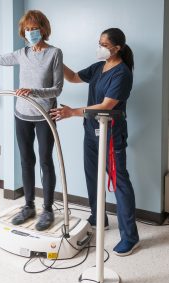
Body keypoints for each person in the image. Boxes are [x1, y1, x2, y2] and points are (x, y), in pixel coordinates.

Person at [0, 10, 63, 231]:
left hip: (45, 114)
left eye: (34, 28)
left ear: (43, 29)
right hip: (22, 114)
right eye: (27, 29)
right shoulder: (21, 53)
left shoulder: (54, 53)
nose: (30, 33)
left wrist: (33, 91)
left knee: (45, 161)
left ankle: (47, 209)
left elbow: (57, 88)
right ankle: (28, 206)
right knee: (26, 160)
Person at [50, 28, 139, 256]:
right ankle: (99, 217)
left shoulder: (122, 74)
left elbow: (106, 105)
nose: (98, 47)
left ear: (117, 48)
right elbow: (72, 77)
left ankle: (130, 236)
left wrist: (72, 112)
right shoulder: (98, 67)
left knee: (119, 182)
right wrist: (54, 56)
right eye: (98, 42)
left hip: (110, 134)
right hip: (91, 131)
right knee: (92, 176)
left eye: (103, 44)